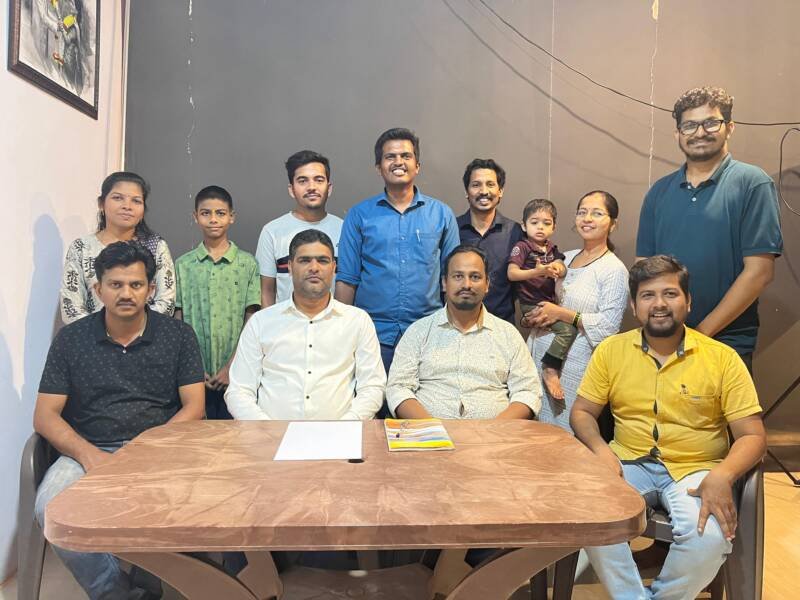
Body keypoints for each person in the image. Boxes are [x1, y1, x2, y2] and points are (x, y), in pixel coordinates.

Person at [571, 255, 766, 600]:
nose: (659, 304)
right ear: (634, 306)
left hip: (697, 470)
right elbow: (583, 412)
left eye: (670, 294)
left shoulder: (722, 358)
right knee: (591, 516)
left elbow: (752, 435)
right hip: (627, 462)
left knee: (708, 538)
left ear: (688, 302)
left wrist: (723, 475)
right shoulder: (611, 351)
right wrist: (601, 451)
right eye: (648, 295)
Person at [35, 241, 205, 600]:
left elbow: (194, 407)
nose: (126, 293)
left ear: (151, 289)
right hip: (88, 451)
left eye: (136, 284)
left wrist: (146, 452)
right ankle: (116, 592)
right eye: (116, 284)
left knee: (187, 501)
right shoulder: (71, 340)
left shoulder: (178, 335)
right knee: (50, 508)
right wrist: (90, 456)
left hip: (160, 450)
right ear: (98, 289)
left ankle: (150, 583)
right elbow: (45, 416)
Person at [636, 86, 783, 371]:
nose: (700, 132)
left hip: (725, 344)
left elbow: (760, 272)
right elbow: (644, 268)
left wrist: (700, 334)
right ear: (678, 134)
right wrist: (661, 333)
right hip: (663, 342)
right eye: (689, 125)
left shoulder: (752, 183)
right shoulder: (659, 192)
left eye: (711, 123)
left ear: (730, 127)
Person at [335, 127, 460, 375]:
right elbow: (347, 280)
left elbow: (454, 279)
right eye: (390, 157)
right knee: (374, 399)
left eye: (406, 156)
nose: (398, 162)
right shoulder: (359, 215)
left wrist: (455, 332)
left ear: (417, 166)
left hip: (429, 334)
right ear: (378, 167)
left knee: (428, 400)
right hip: (372, 336)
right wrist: (339, 334)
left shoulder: (441, 214)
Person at [226, 229, 385, 420]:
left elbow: (373, 387)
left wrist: (345, 427)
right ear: (290, 267)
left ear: (334, 267)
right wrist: (266, 430)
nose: (314, 267)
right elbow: (239, 391)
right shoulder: (261, 322)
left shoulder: (357, 321)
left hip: (342, 434)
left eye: (323, 260)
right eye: (304, 260)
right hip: (270, 434)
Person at [387, 245, 540, 420]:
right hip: (428, 434)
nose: (466, 285)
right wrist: (432, 429)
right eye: (458, 276)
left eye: (475, 277)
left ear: (487, 284)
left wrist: (495, 429)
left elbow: (528, 391)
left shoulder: (508, 334)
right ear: (445, 283)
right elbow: (398, 388)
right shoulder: (419, 331)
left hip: (496, 434)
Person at [523, 191, 628, 433]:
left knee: (564, 435)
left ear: (613, 224)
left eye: (597, 213)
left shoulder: (613, 269)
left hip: (574, 368)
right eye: (582, 212)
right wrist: (532, 317)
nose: (587, 218)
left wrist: (563, 314)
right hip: (536, 357)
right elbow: (540, 297)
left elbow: (609, 326)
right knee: (532, 433)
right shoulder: (564, 258)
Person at [175, 185, 261, 419]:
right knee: (196, 432)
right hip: (194, 375)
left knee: (236, 433)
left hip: (237, 373)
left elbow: (252, 318)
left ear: (231, 217)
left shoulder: (247, 264)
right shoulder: (183, 265)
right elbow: (178, 319)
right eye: (206, 213)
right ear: (195, 217)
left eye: (220, 213)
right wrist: (191, 367)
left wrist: (231, 366)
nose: (213, 219)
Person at [60, 171, 176, 324]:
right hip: (91, 336)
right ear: (101, 204)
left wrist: (133, 330)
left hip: (146, 335)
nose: (127, 206)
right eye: (118, 198)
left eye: (136, 201)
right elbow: (71, 308)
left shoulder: (156, 246)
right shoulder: (81, 248)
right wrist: (103, 332)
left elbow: (166, 303)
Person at [256, 150, 343, 307]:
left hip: (334, 321)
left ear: (329, 188)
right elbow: (266, 291)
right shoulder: (272, 232)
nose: (311, 187)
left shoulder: (345, 230)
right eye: (303, 181)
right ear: (291, 189)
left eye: (319, 180)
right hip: (284, 321)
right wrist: (268, 321)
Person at [507, 199, 573, 400]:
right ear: (524, 225)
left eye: (546, 223)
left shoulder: (551, 248)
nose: (540, 227)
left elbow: (562, 265)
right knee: (568, 330)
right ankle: (550, 367)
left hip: (550, 304)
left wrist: (559, 268)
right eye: (534, 222)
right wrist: (536, 272)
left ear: (554, 227)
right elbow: (512, 273)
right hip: (531, 304)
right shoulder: (522, 247)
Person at [456, 158, 523, 323]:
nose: (484, 191)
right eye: (476, 185)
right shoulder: (452, 229)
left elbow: (521, 284)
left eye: (490, 184)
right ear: (466, 191)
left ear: (500, 191)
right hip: (458, 325)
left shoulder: (515, 232)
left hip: (502, 325)